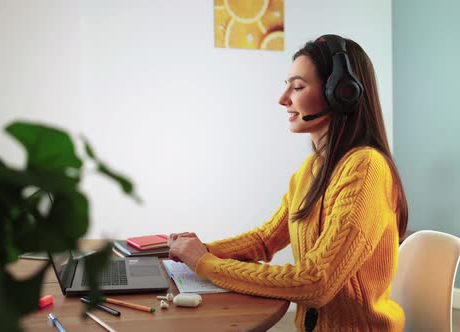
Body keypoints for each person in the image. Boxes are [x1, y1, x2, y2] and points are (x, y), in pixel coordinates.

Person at [168, 34, 408, 332]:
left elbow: (317, 282)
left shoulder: (366, 168)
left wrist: (205, 263)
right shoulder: (311, 170)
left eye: (297, 87)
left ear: (341, 93)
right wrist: (197, 250)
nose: (283, 100)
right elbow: (265, 239)